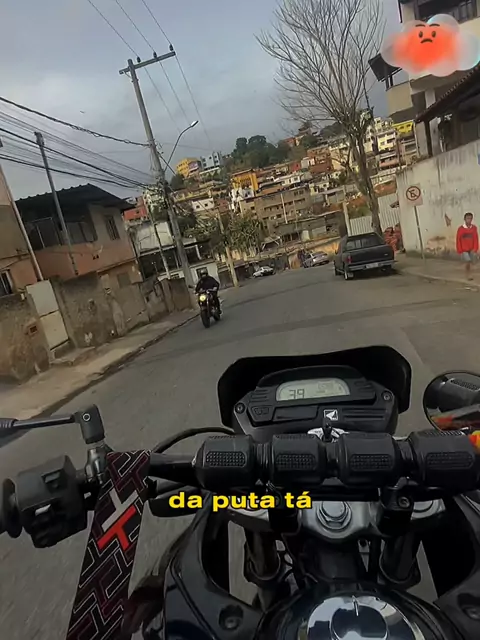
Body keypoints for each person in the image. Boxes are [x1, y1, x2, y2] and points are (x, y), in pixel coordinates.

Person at [456, 212, 479, 280]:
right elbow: (458, 239)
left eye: (470, 219)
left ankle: (469, 272)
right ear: (465, 219)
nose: (469, 220)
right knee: (468, 261)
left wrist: (475, 248)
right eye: (467, 218)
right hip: (464, 249)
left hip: (471, 248)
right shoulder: (461, 229)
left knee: (471, 262)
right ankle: (468, 274)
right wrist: (459, 250)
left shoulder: (474, 228)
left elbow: (476, 238)